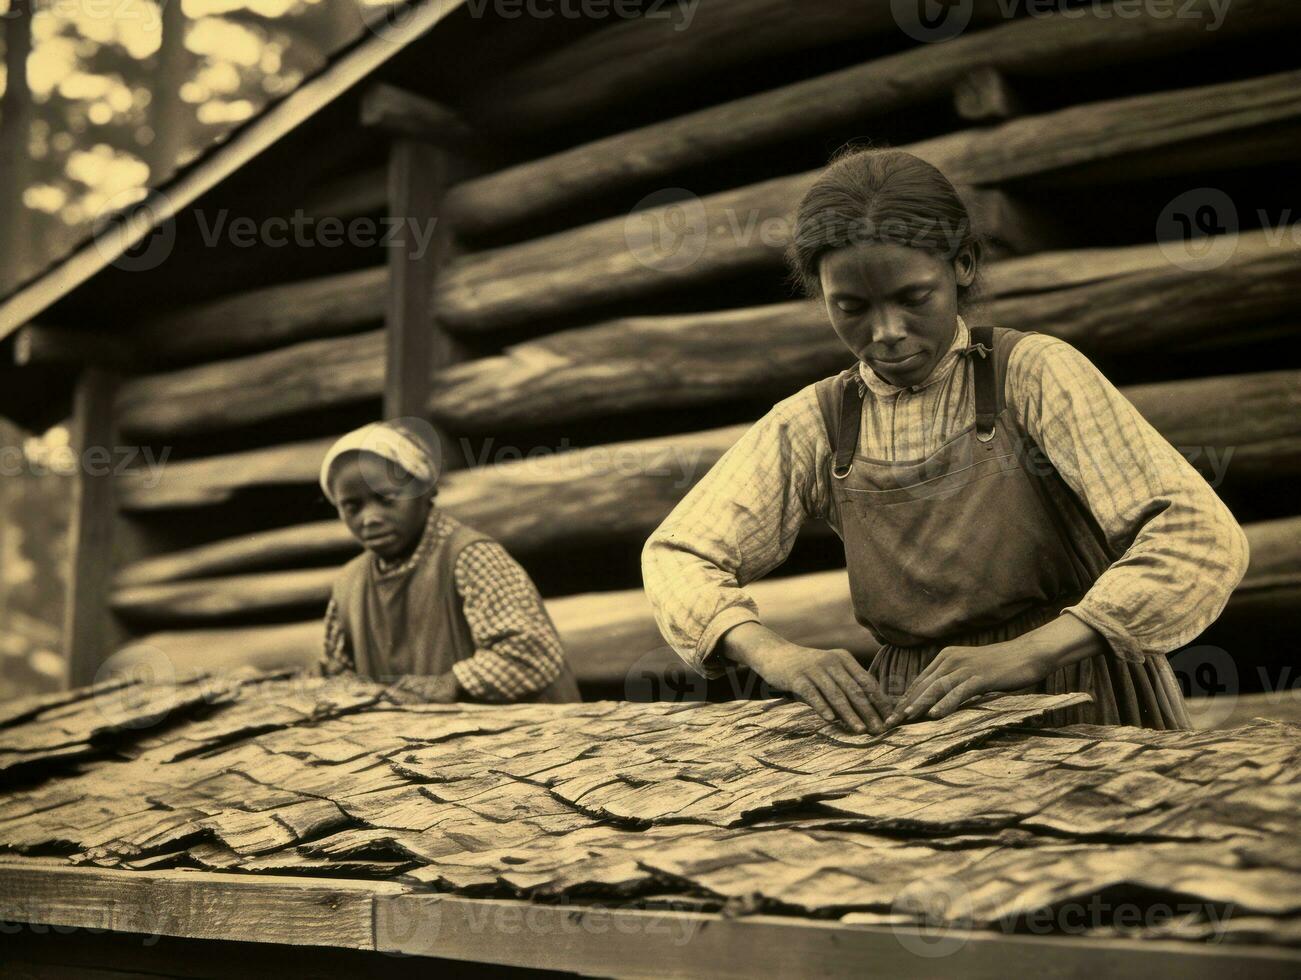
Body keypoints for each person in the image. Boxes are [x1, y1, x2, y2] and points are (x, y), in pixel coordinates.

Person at [642, 147, 1249, 734]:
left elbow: (1197, 534)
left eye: (913, 299)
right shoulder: (818, 421)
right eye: (850, 307)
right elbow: (677, 555)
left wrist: (1034, 652)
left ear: (961, 266)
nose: (886, 332)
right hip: (920, 711)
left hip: (1080, 686)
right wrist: (773, 654)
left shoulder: (1033, 373)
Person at [317, 419, 580, 703]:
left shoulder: (470, 557)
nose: (370, 518)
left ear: (427, 490)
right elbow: (339, 673)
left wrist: (451, 683)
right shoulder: (349, 583)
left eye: (388, 498)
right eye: (352, 506)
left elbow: (533, 653)